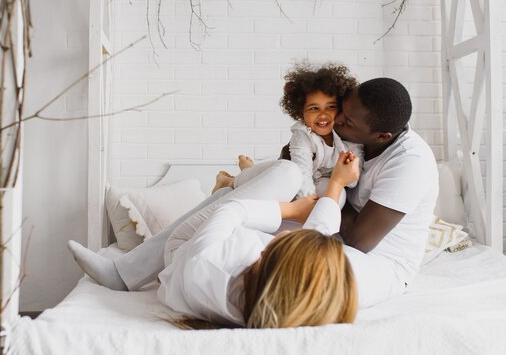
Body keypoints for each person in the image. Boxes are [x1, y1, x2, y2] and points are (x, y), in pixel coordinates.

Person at [69, 77, 438, 308]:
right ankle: (132, 270)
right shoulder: (354, 141)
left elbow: (359, 239)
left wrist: (331, 186)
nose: (337, 121)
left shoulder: (411, 163)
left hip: (372, 263)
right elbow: (306, 166)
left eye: (347, 121)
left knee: (262, 208)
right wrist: (299, 174)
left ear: (382, 137)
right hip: (328, 228)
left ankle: (137, 271)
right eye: (342, 110)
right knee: (281, 175)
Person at [158, 151, 360, 329]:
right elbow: (319, 238)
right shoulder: (285, 301)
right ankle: (246, 179)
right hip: (243, 243)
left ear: (263, 254)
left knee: (288, 173)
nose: (291, 234)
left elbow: (231, 210)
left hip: (185, 244)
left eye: (288, 240)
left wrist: (291, 210)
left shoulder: (208, 261)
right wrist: (337, 182)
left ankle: (233, 182)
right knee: (326, 203)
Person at [213, 62, 362, 210]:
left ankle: (249, 169)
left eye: (331, 107)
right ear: (301, 113)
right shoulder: (303, 134)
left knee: (339, 196)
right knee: (269, 184)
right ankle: (231, 180)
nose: (323, 115)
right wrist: (308, 204)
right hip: (291, 173)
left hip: (321, 179)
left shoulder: (347, 133)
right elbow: (302, 172)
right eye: (314, 108)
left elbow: (352, 181)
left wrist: (342, 177)